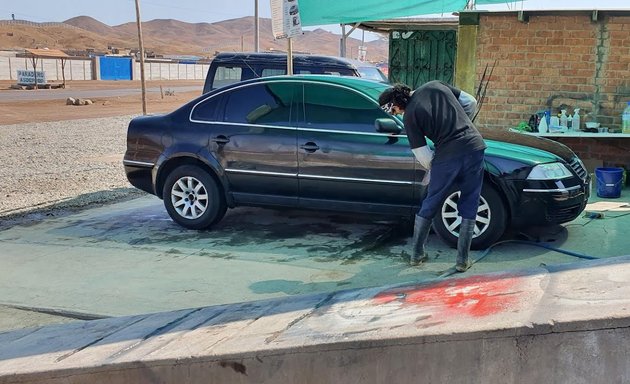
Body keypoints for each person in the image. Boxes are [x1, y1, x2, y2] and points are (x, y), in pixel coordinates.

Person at [378, 80, 486, 272]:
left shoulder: (410, 116)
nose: (398, 114)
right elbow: (470, 102)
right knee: (470, 201)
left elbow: (423, 156)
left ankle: (417, 254)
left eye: (394, 111)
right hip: (474, 146)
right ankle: (462, 260)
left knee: (432, 201)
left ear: (395, 104)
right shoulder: (435, 85)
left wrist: (437, 165)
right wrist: (461, 124)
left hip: (447, 155)